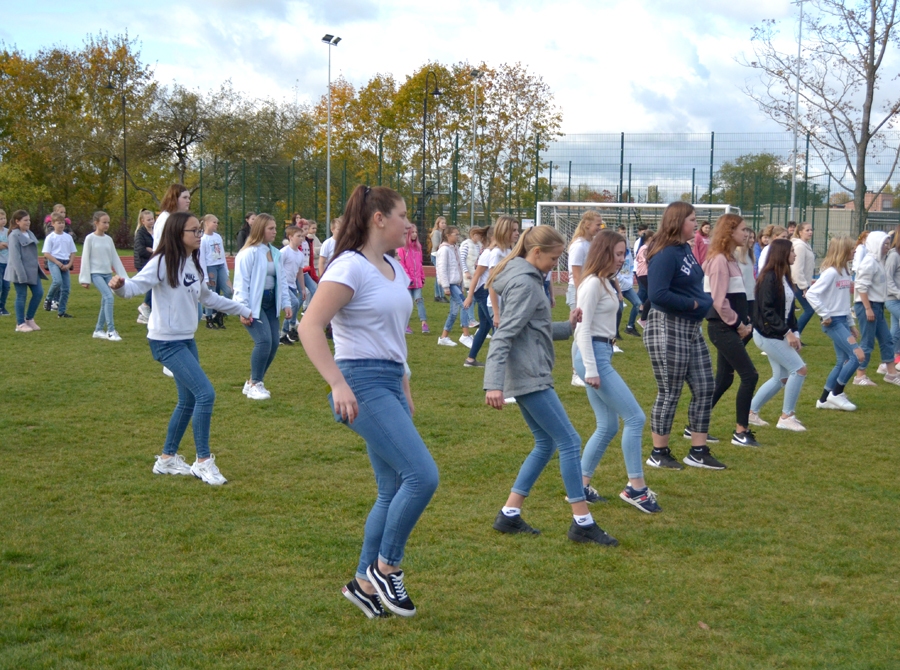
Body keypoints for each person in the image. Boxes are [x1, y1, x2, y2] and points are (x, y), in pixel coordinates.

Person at [299, 185, 439, 619]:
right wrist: (337, 384)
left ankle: (362, 582)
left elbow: (394, 341)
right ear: (379, 218)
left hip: (390, 383)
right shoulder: (349, 266)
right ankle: (386, 567)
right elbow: (310, 327)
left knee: (393, 486)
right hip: (360, 383)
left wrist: (406, 389)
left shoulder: (393, 265)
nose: (409, 224)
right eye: (402, 215)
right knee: (422, 475)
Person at [485, 224, 618, 546]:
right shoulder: (526, 285)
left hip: (530, 373)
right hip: (529, 377)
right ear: (536, 253)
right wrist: (492, 384)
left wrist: (568, 325)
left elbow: (535, 329)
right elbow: (504, 334)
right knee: (570, 441)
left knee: (546, 444)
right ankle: (582, 521)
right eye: (554, 258)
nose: (556, 265)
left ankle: (509, 514)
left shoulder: (527, 279)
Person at [110, 211, 252, 486]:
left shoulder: (193, 263)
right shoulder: (162, 262)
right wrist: (119, 286)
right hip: (165, 342)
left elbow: (207, 296)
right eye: (194, 231)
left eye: (200, 230)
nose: (199, 235)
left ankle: (166, 460)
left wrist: (242, 309)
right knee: (205, 394)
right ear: (178, 234)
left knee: (188, 401)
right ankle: (203, 462)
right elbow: (135, 287)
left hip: (186, 339)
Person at [573, 229, 661, 514]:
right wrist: (591, 368)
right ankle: (636, 488)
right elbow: (582, 328)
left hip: (601, 352)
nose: (623, 259)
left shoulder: (607, 282)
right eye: (619, 253)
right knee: (635, 417)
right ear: (604, 252)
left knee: (608, 425)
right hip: (593, 355)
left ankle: (579, 487)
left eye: (625, 253)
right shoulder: (593, 284)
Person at [643, 202, 725, 470]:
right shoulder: (666, 254)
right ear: (678, 222)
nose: (696, 223)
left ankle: (698, 450)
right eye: (691, 219)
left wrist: (700, 301)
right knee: (669, 392)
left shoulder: (685, 250)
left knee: (705, 386)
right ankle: (659, 452)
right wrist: (692, 304)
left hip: (691, 328)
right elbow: (657, 295)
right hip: (669, 326)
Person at [702, 214, 760, 447]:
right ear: (729, 232)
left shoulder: (731, 258)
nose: (746, 234)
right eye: (743, 230)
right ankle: (741, 431)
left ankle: (695, 425)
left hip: (731, 327)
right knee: (750, 375)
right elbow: (718, 301)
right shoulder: (719, 261)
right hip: (723, 328)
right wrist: (739, 324)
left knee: (724, 379)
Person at [749, 239, 807, 430]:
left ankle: (750, 412)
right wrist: (787, 333)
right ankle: (786, 416)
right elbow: (767, 311)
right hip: (767, 335)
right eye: (791, 251)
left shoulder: (784, 276)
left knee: (781, 377)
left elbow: (789, 311)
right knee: (799, 369)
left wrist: (795, 332)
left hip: (777, 333)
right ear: (782, 253)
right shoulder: (769, 277)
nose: (795, 254)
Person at [234, 213, 293, 400]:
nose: (275, 232)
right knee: (264, 341)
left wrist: (286, 303)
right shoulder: (248, 253)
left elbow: (281, 280)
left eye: (275, 228)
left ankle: (253, 381)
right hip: (254, 305)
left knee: (274, 343)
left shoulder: (275, 252)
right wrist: (242, 309)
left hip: (270, 303)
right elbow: (241, 283)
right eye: (271, 228)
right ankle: (255, 383)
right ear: (260, 229)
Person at [807, 235, 863, 411]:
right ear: (843, 250)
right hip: (833, 323)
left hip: (842, 321)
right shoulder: (831, 272)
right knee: (857, 355)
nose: (854, 251)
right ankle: (836, 393)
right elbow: (811, 294)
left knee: (843, 360)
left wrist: (851, 324)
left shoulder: (844, 271)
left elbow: (843, 302)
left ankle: (823, 400)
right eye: (851, 248)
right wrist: (825, 314)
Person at [852, 230, 900, 386]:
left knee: (886, 339)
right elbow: (861, 286)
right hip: (868, 305)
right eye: (884, 244)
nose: (887, 247)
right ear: (875, 245)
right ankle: (860, 375)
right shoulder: (869, 262)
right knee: (867, 342)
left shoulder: (879, 261)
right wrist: (867, 308)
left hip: (877, 305)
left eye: (887, 244)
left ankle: (891, 373)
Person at [566, 211, 604, 386]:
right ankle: (576, 373)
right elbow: (576, 275)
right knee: (580, 332)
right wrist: (581, 297)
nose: (600, 226)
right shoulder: (579, 245)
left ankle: (582, 369)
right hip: (579, 291)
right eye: (598, 223)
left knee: (586, 331)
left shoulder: (591, 243)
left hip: (588, 290)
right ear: (587, 224)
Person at [79, 211, 128, 342]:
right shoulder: (90, 238)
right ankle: (111, 331)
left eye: (108, 222)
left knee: (105, 300)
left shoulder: (108, 239)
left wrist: (123, 277)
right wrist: (85, 279)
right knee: (108, 297)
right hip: (96, 274)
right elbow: (85, 259)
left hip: (107, 274)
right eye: (104, 222)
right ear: (96, 223)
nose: (106, 225)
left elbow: (114, 258)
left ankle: (98, 330)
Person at [4, 210, 46, 332]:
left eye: (29, 220)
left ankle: (29, 319)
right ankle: (20, 323)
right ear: (17, 221)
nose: (28, 222)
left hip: (32, 270)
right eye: (25, 220)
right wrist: (21, 275)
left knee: (38, 293)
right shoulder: (13, 235)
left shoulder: (29, 233)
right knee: (21, 295)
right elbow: (15, 257)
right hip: (19, 271)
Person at [462, 225, 496, 367]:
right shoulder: (488, 253)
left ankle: (470, 359)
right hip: (483, 292)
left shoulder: (495, 252)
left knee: (485, 326)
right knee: (496, 326)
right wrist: (470, 296)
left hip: (484, 291)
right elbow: (476, 276)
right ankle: (497, 363)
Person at [435, 226, 473, 347]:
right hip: (450, 284)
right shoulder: (444, 250)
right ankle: (465, 335)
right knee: (465, 305)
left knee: (453, 312)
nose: (458, 236)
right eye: (455, 234)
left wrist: (461, 284)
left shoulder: (455, 248)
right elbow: (441, 269)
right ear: (448, 235)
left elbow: (459, 267)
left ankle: (443, 337)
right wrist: (446, 287)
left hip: (456, 283)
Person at [198, 214, 232, 330]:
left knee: (228, 291)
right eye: (214, 222)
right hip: (210, 267)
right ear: (206, 223)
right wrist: (205, 277)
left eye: (217, 222)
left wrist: (226, 269)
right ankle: (209, 318)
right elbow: (201, 259)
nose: (216, 224)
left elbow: (222, 254)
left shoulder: (217, 237)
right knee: (211, 293)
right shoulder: (203, 240)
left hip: (220, 266)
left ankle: (219, 315)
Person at [42, 212, 77, 319]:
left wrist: (69, 264)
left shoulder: (68, 237)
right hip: (54, 262)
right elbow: (46, 253)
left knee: (66, 289)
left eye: (62, 223)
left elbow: (73, 252)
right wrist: (57, 263)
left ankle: (61, 312)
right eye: (58, 223)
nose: (61, 225)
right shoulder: (51, 237)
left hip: (65, 262)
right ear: (53, 224)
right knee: (57, 281)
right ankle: (48, 299)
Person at [397, 226, 429, 334]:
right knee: (407, 304)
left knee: (420, 301)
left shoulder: (418, 249)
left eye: (416, 232)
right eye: (412, 232)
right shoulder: (401, 249)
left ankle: (424, 323)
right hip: (407, 282)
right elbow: (401, 264)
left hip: (417, 282)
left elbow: (420, 265)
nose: (415, 234)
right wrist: (408, 278)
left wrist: (422, 277)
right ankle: (405, 324)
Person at [278, 225, 306, 345]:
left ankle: (284, 335)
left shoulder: (300, 254)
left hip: (292, 285)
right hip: (283, 285)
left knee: (294, 306)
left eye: (302, 236)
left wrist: (303, 289)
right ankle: (291, 328)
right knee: (294, 303)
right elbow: (277, 268)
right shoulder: (284, 252)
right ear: (290, 237)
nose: (301, 238)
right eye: (298, 236)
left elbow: (300, 273)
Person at [791, 222, 816, 334]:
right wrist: (804, 286)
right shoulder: (800, 246)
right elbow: (797, 268)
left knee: (791, 311)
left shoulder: (805, 245)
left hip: (803, 283)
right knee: (809, 309)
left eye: (811, 230)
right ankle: (796, 333)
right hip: (798, 283)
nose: (810, 232)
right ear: (800, 232)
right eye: (807, 230)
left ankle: (795, 334)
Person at [459, 226, 485, 328]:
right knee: (471, 299)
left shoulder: (478, 245)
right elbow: (462, 259)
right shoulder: (466, 245)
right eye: (478, 235)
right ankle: (470, 320)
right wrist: (466, 272)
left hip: (474, 275)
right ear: (473, 235)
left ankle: (466, 320)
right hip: (468, 276)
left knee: (473, 299)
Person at [152, 184, 191, 251]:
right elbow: (161, 245)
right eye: (184, 197)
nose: (188, 201)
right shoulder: (165, 219)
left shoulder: (179, 218)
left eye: (188, 198)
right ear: (174, 199)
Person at [134, 209, 155, 324]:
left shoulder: (155, 231)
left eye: (152, 219)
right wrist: (153, 252)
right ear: (143, 221)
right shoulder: (140, 233)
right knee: (152, 285)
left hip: (153, 263)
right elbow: (141, 250)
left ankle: (143, 316)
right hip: (143, 263)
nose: (151, 221)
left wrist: (152, 250)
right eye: (149, 220)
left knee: (156, 285)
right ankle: (145, 305)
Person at [884, 225, 900, 367]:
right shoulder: (894, 255)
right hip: (893, 299)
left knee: (895, 329)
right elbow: (888, 279)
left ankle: (892, 358)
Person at [634, 230, 654, 328]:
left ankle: (647, 317)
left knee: (650, 295)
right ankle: (643, 318)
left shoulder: (646, 248)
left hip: (646, 273)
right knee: (652, 295)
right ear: (650, 239)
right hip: (643, 274)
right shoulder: (644, 248)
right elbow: (647, 260)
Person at [429, 217, 447, 302]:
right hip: (436, 255)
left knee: (439, 275)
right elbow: (436, 245)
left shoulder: (443, 233)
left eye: (445, 223)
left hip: (441, 255)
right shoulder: (436, 233)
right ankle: (439, 295)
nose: (444, 224)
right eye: (442, 223)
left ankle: (439, 295)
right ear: (438, 224)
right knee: (439, 275)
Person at [0, 209, 10, 316]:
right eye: (0, 219)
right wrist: (4, 244)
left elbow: (11, 244)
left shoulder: (8, 232)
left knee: (6, 287)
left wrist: (5, 244)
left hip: (7, 263)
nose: (3, 221)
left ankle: (2, 307)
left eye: (4, 218)